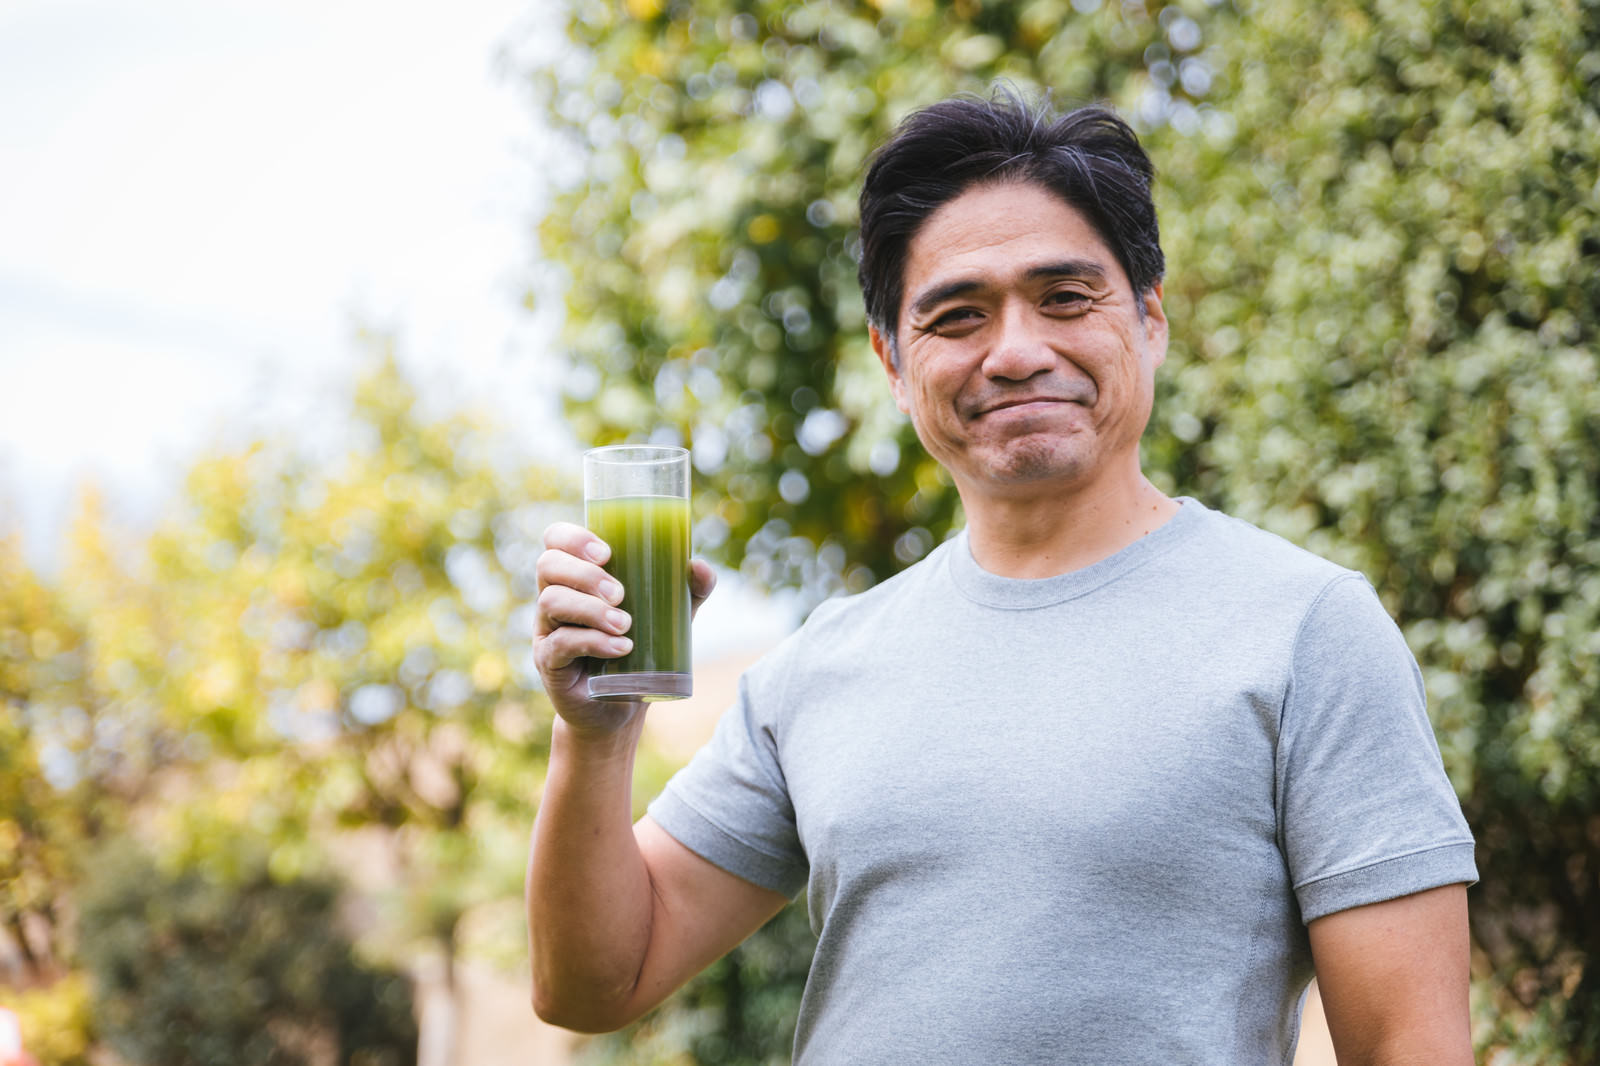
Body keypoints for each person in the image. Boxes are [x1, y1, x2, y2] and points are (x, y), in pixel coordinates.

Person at [527, 88, 1477, 1064]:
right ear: (892, 363)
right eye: (957, 316)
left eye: (1065, 298)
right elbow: (596, 980)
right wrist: (595, 735)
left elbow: (1412, 1044)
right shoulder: (818, 666)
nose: (1017, 352)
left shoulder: (1303, 628)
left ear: (1150, 320)